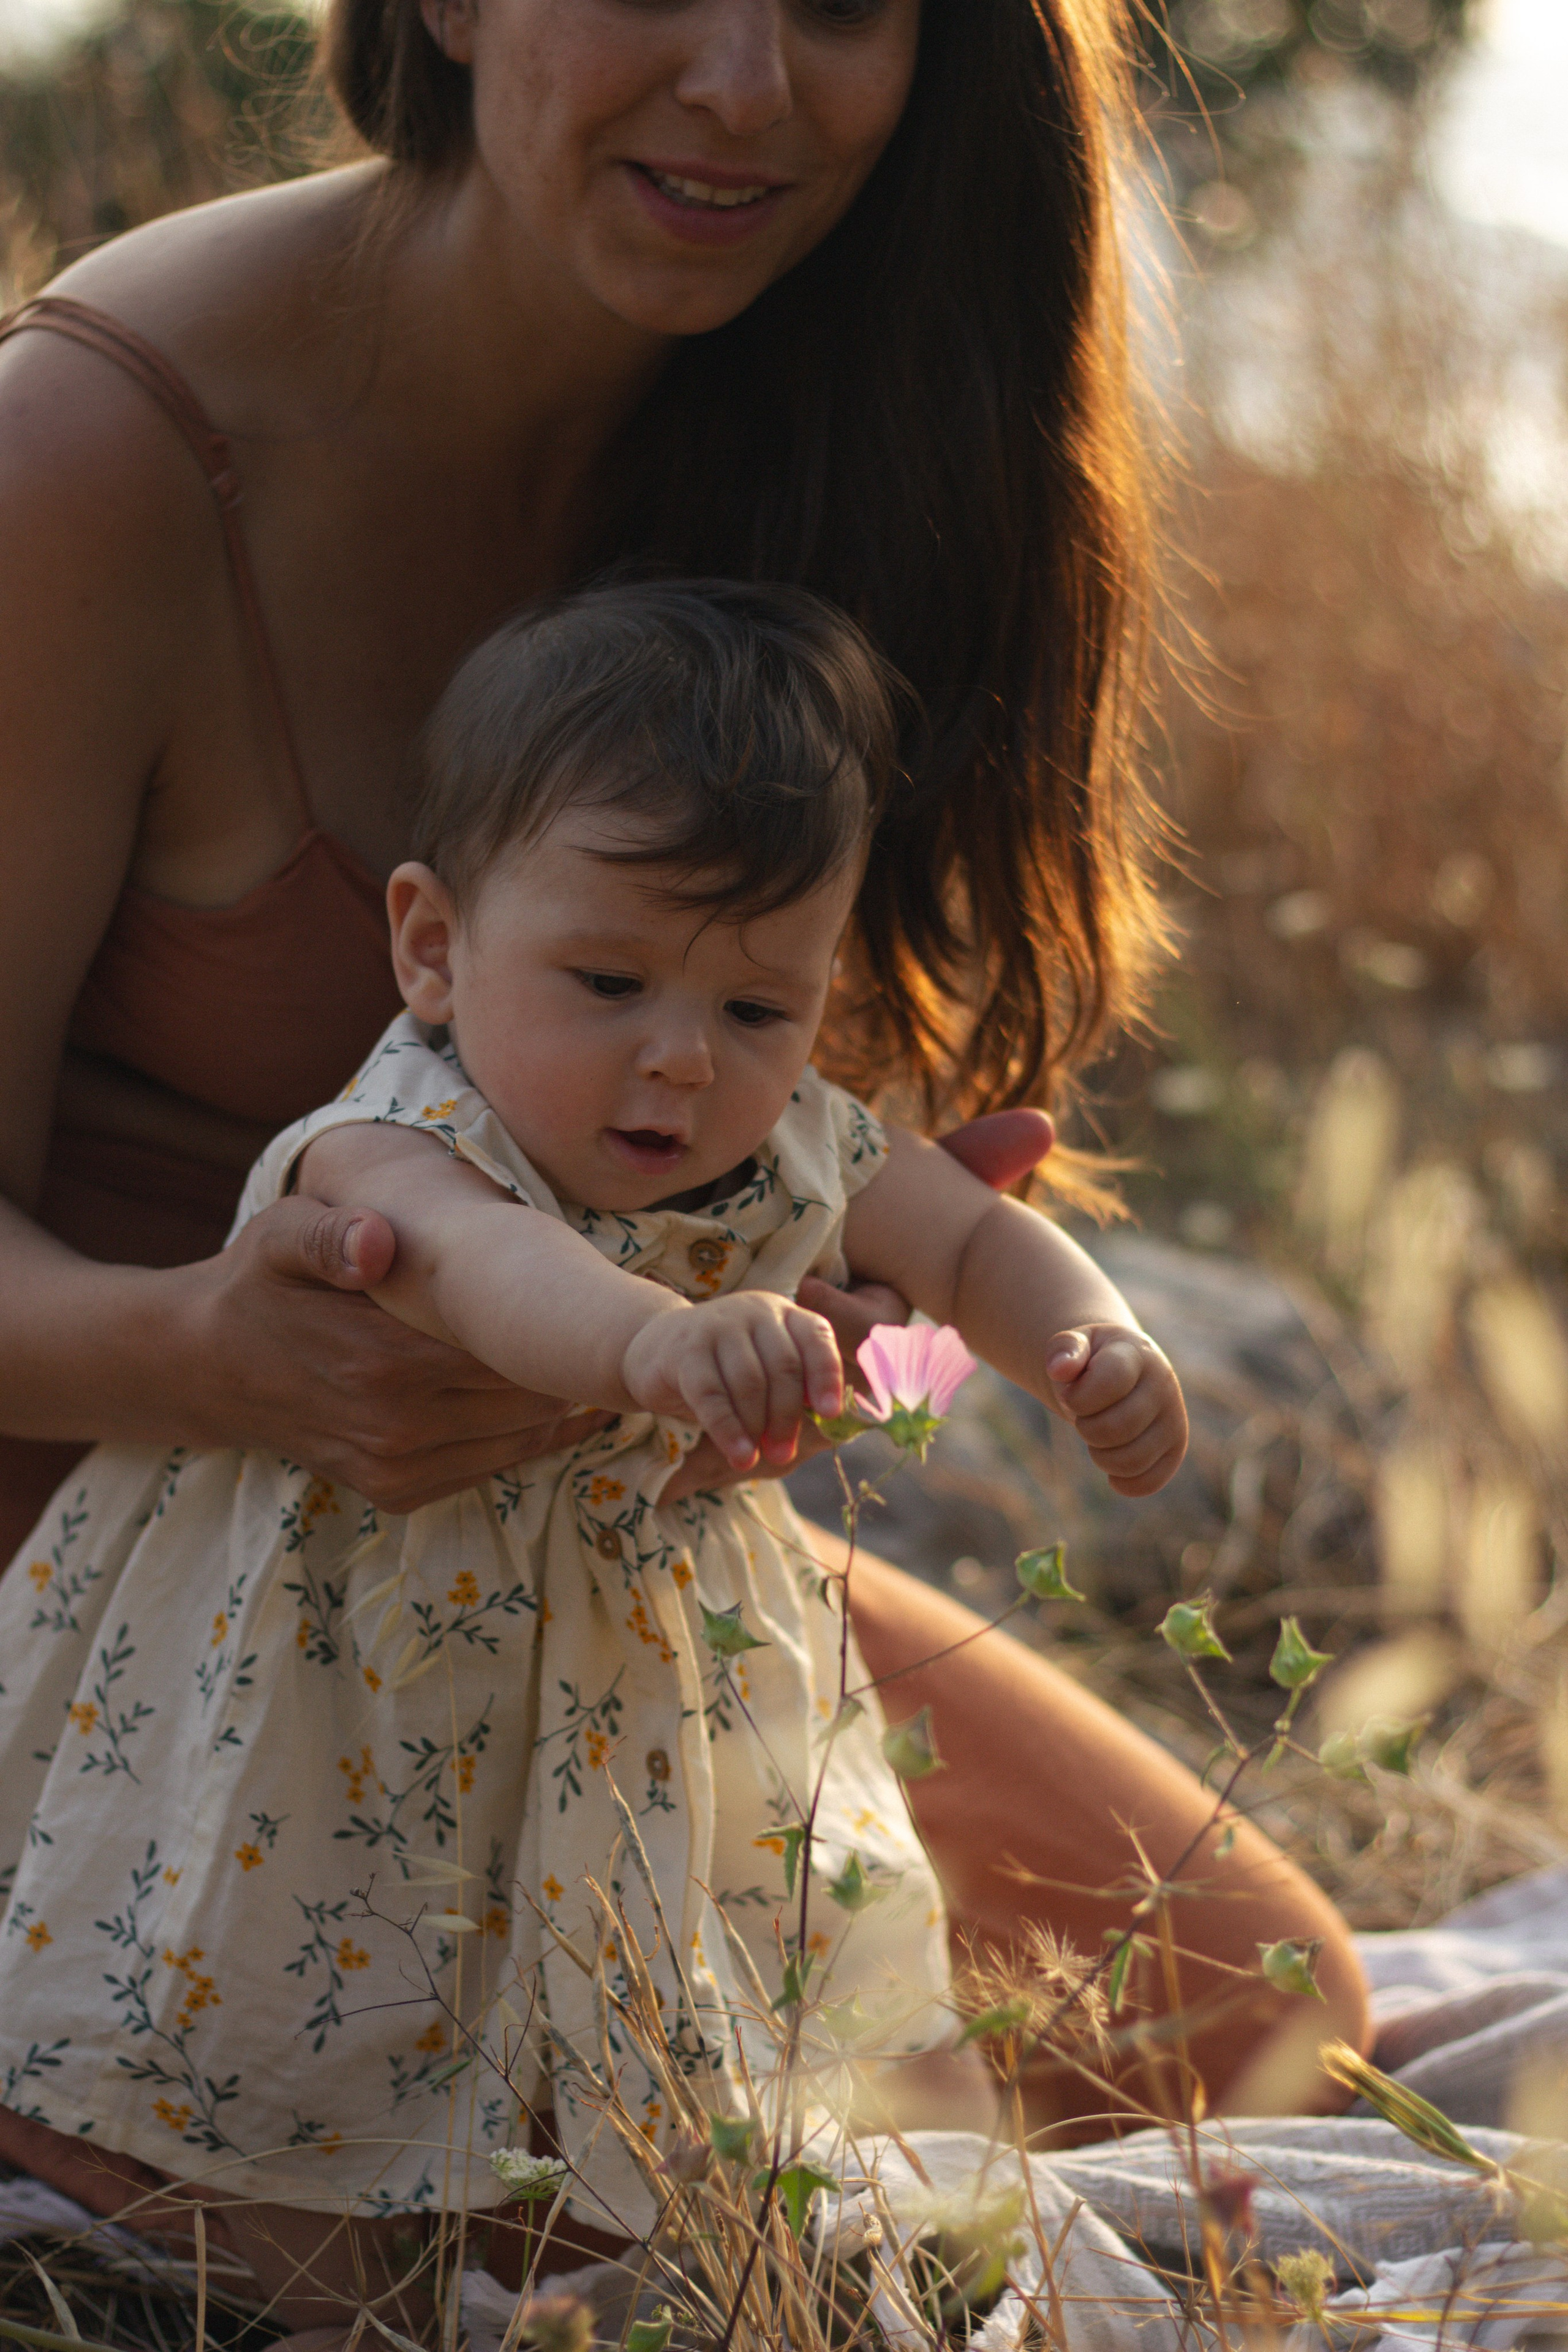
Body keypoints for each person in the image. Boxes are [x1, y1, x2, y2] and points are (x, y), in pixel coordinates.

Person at [0, 0, 1367, 2278]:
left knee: (1254, 2018)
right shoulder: (95, 466)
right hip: (118, 1571)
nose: (750, 89)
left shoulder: (811, 426)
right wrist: (224, 1358)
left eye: (841, 5)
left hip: (557, 1554)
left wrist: (824, 1321)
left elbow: (840, 1226)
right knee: (363, 2211)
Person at [0, 578, 1196, 2331]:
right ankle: (189, 2205)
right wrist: (655, 1343)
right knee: (312, 2081)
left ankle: (762, 2241)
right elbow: (490, 1269)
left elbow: (963, 1243)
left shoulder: (790, 1137)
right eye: (610, 980)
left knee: (722, 2046)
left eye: (759, 1010)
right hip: (347, 1712)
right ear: (432, 945)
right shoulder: (394, 1137)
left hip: (653, 1695)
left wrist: (1095, 1335)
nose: (680, 1060)